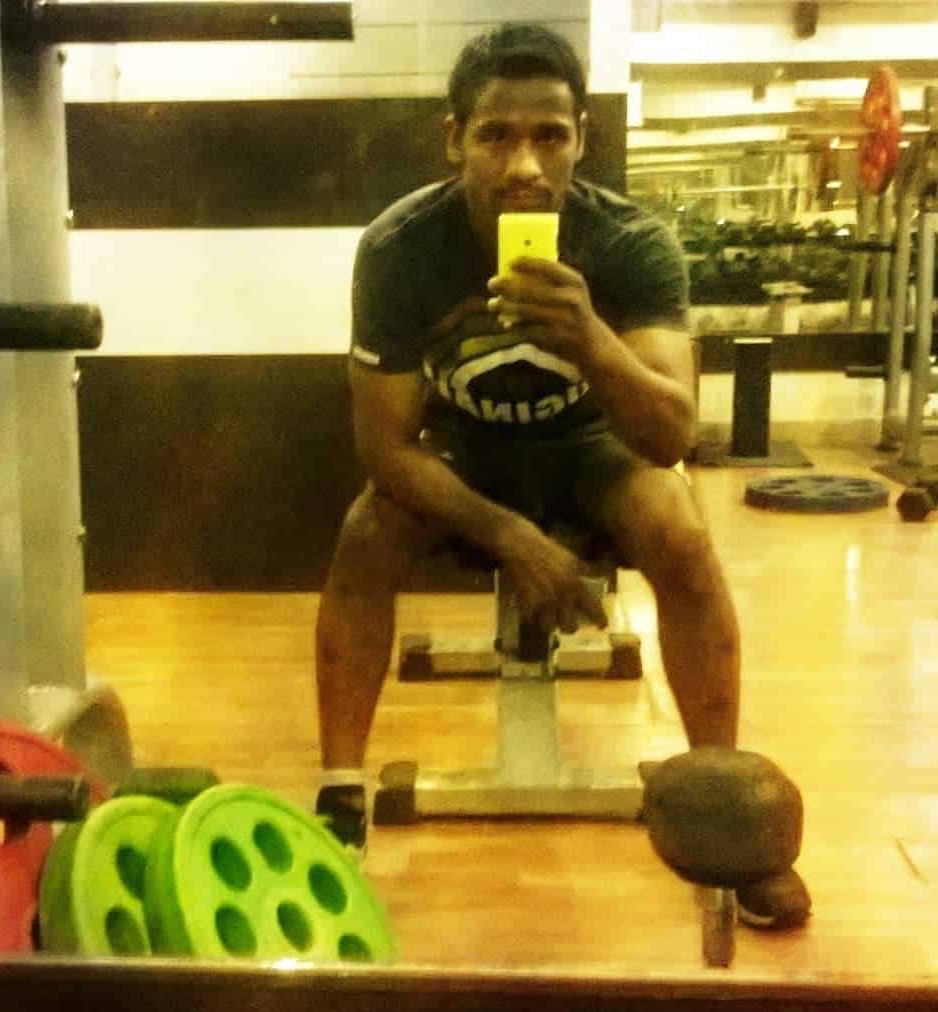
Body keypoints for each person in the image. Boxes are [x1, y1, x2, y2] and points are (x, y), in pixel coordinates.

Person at [314, 22, 810, 929]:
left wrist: (590, 339)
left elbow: (669, 433)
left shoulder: (628, 244)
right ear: (454, 140)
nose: (525, 166)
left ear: (582, 138)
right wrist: (513, 537)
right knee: (364, 531)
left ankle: (722, 816)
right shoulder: (401, 250)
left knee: (683, 533)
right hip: (465, 450)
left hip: (594, 449)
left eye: (550, 136)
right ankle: (340, 794)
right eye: (496, 136)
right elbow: (385, 448)